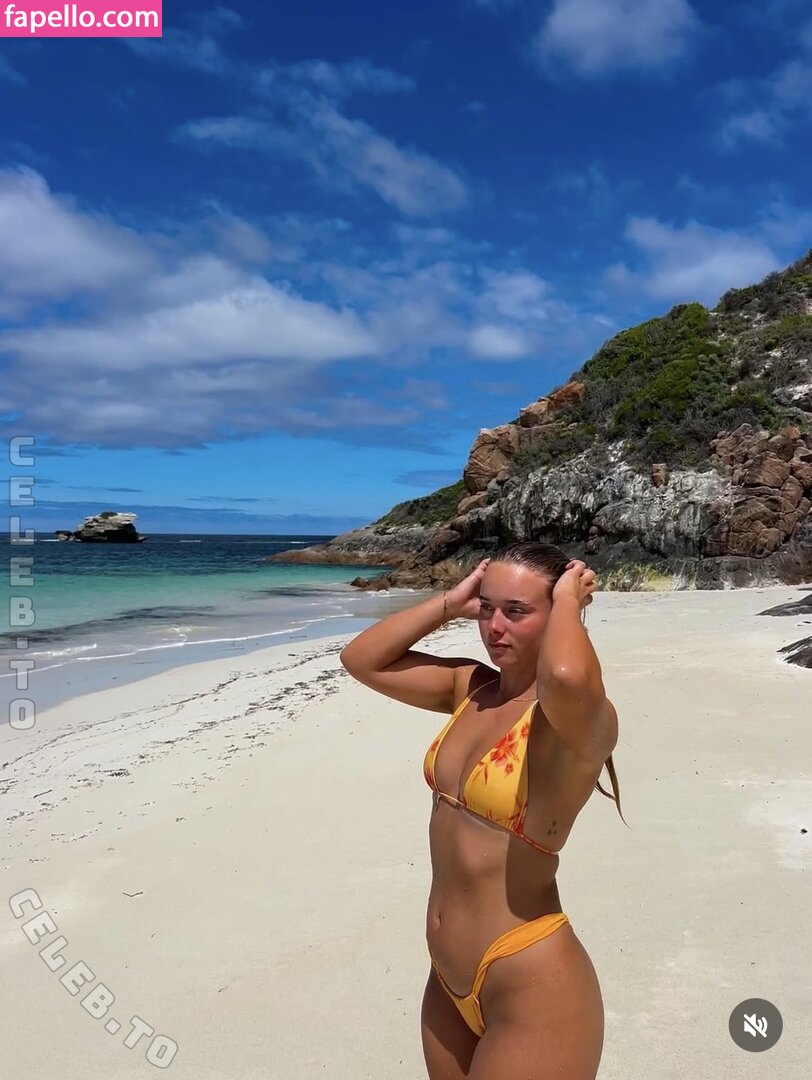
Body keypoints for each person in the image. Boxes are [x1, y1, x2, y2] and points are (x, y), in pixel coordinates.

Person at [339, 541, 625, 1080]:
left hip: (531, 979)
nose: (495, 627)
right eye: (487, 608)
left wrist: (570, 601)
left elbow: (566, 675)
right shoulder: (469, 689)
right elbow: (360, 659)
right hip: (446, 979)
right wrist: (451, 602)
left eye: (517, 611)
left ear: (556, 613)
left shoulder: (573, 722)